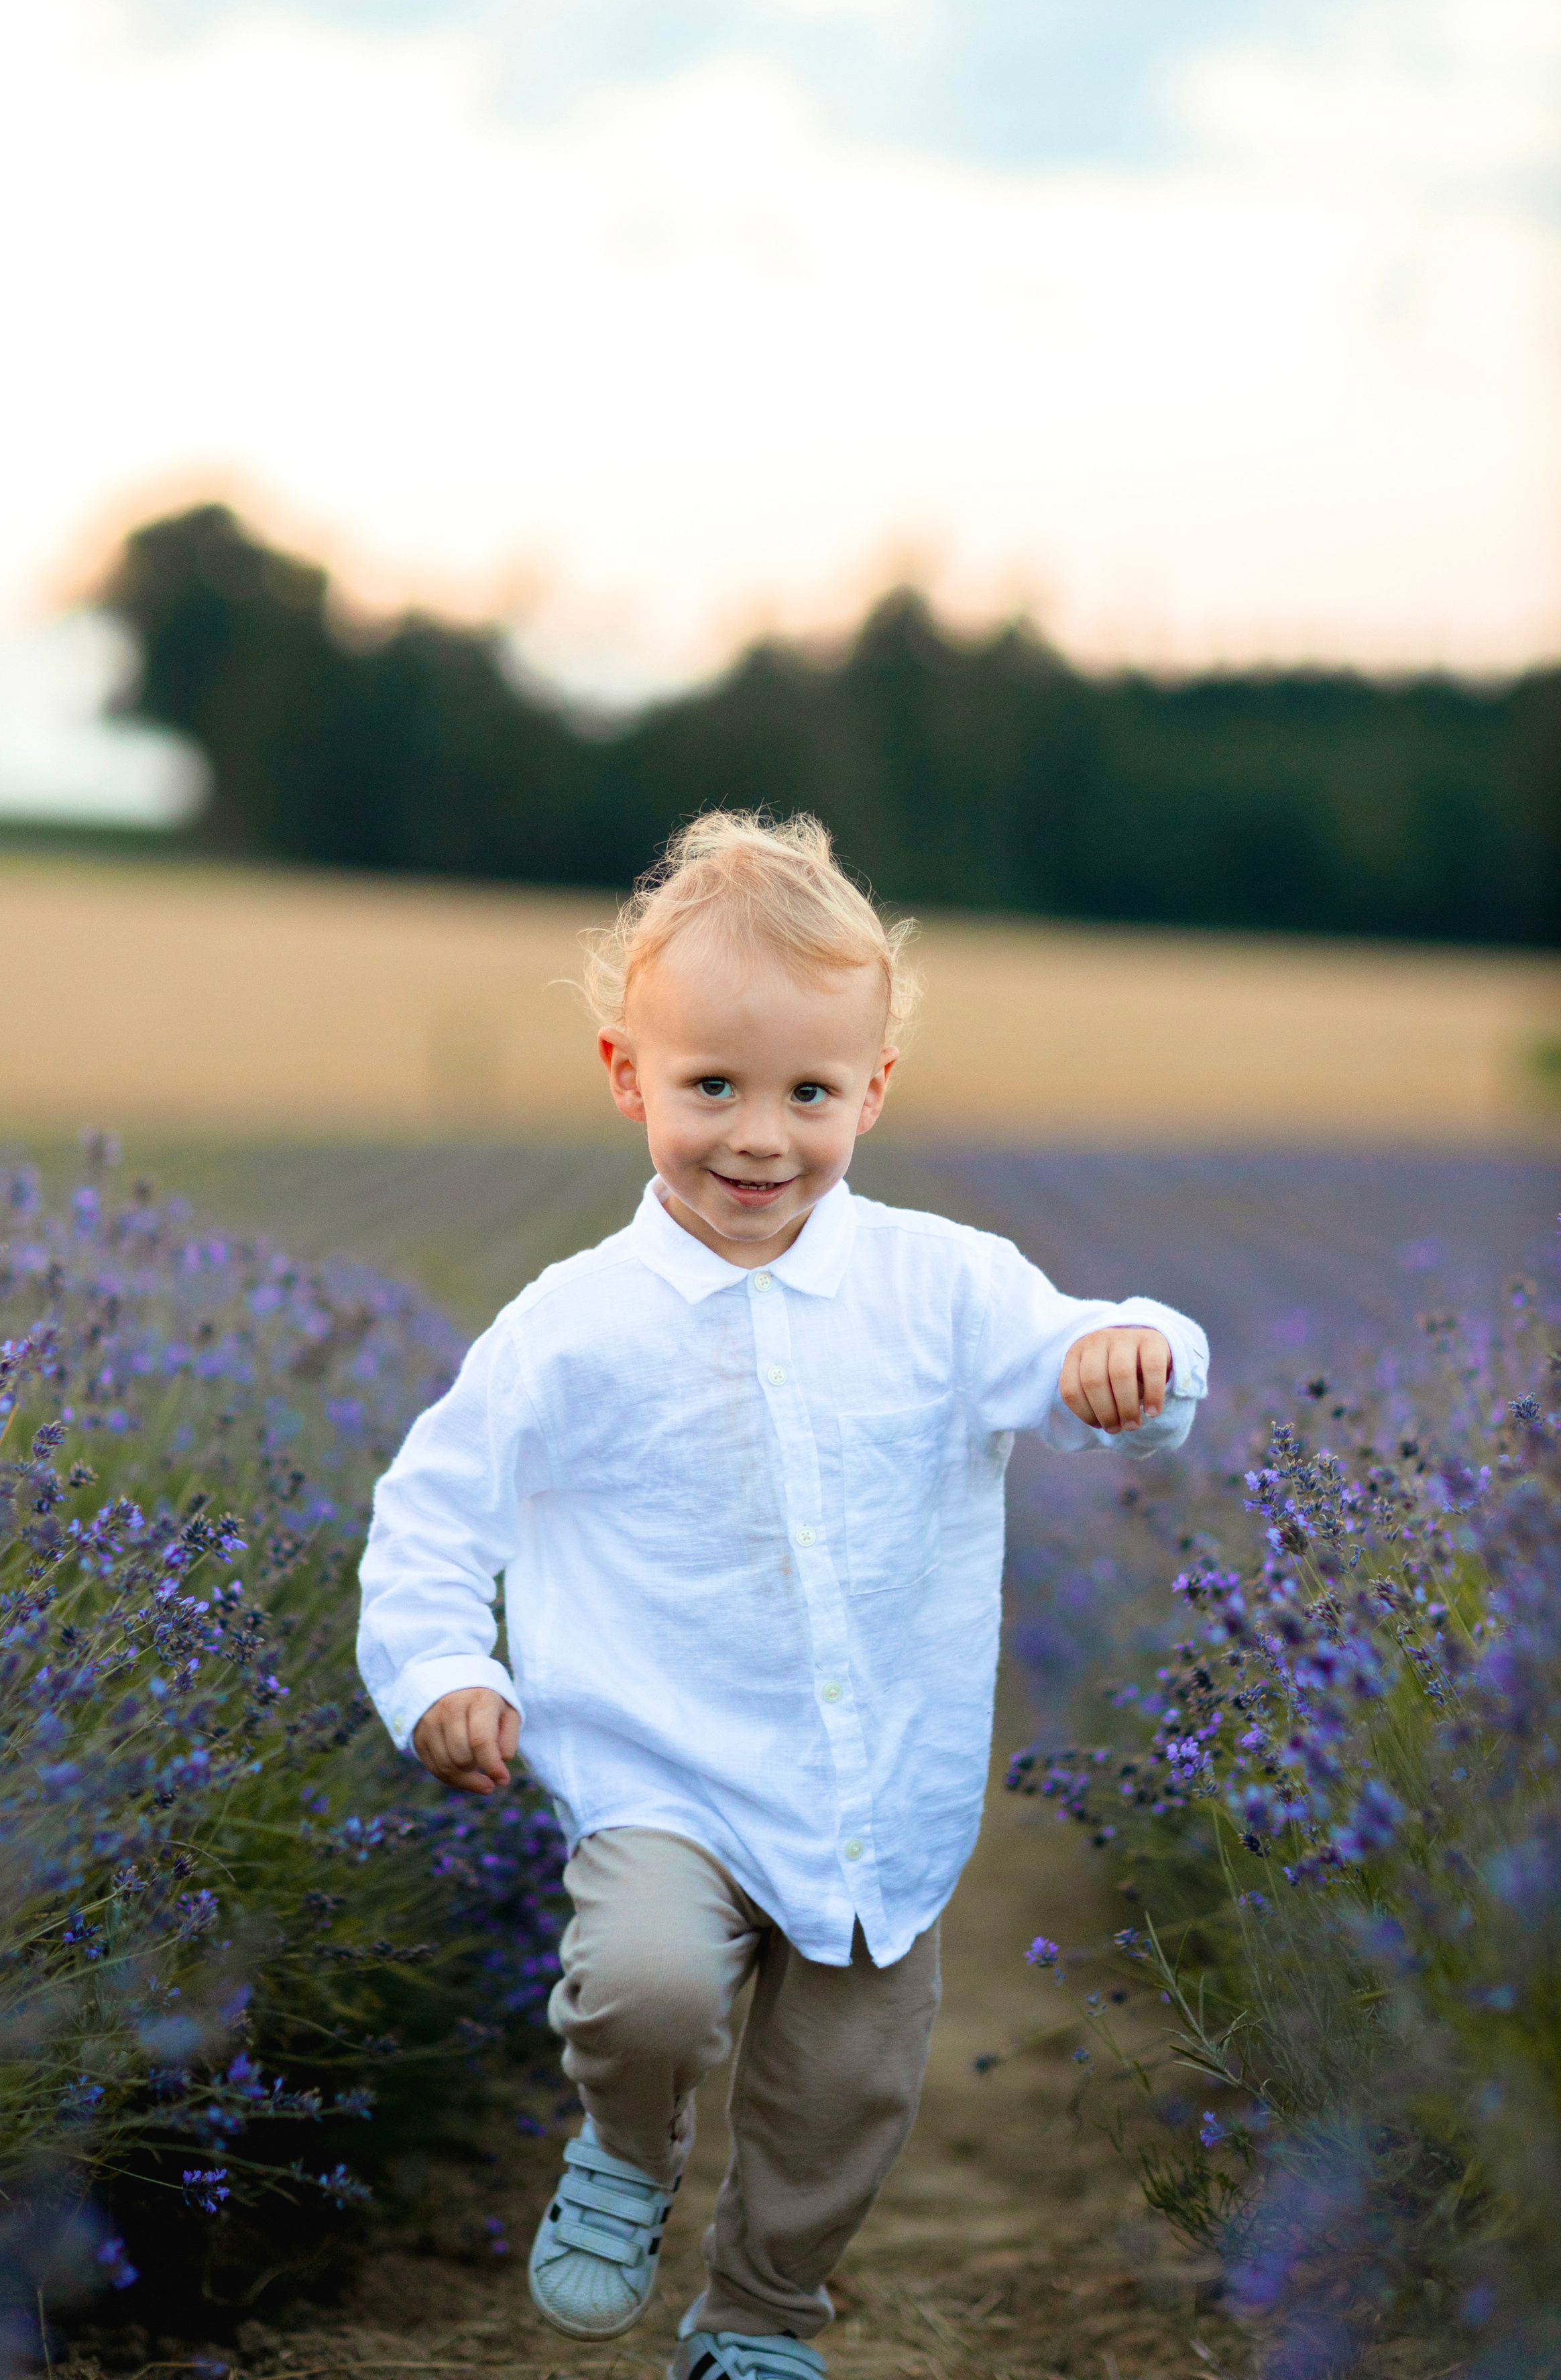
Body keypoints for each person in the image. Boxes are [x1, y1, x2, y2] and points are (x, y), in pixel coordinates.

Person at [357, 811, 1208, 2380]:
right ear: (626, 1075)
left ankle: (755, 2317)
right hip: (660, 1770)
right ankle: (626, 2149)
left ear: (870, 1091)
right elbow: (431, 1513)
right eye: (711, 1088)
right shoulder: (573, 1323)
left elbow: (1089, 1350)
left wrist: (1134, 1354)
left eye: (808, 1094)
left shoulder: (941, 1286)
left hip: (874, 1788)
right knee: (645, 1988)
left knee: (844, 2098)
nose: (759, 1136)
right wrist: (437, 1674)